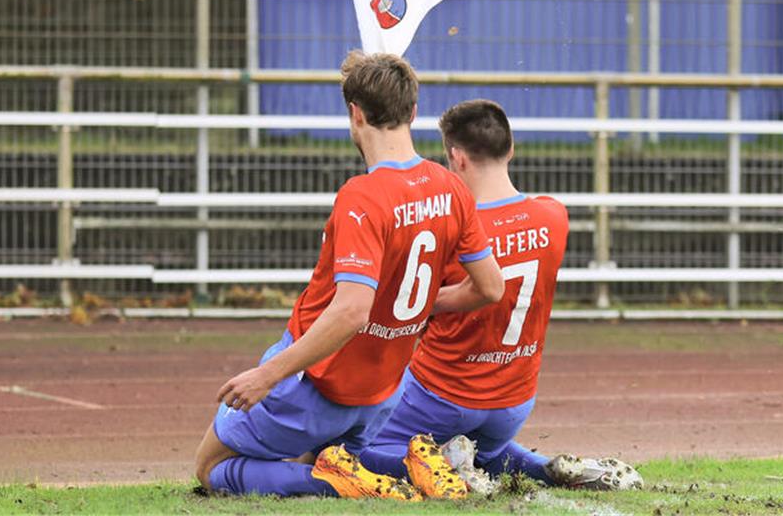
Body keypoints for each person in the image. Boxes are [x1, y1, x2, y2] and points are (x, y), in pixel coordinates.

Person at [193, 52, 504, 500]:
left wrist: (267, 376)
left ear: (355, 114)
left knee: (211, 466)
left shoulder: (362, 196)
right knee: (319, 457)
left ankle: (334, 486)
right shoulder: (450, 186)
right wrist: (415, 309)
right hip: (381, 395)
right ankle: (414, 465)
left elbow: (352, 311)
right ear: (413, 113)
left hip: (316, 383)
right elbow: (490, 287)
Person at [358, 99, 643, 493]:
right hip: (514, 402)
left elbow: (409, 309)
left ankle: (445, 468)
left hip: (441, 395)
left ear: (456, 158)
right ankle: (550, 468)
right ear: (510, 149)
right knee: (489, 453)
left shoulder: (450, 231)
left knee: (351, 447)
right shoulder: (553, 216)